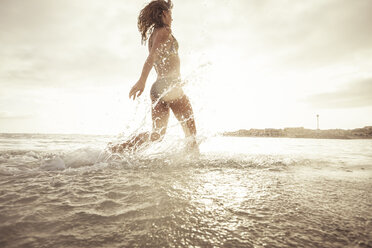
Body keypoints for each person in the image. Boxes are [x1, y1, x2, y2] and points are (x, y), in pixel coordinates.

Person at [110, 0, 198, 153]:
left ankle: (119, 148)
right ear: (164, 13)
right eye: (170, 13)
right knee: (191, 133)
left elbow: (156, 57)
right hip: (170, 86)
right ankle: (194, 166)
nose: (172, 17)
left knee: (157, 135)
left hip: (158, 88)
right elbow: (152, 57)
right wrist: (141, 81)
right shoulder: (164, 31)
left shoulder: (153, 36)